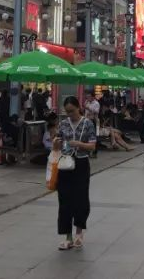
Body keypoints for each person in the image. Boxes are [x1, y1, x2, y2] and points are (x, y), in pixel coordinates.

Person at [54, 96, 96, 250]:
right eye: (67, 112)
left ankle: (79, 231)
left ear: (79, 108)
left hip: (81, 163)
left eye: (72, 111)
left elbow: (92, 146)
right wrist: (56, 143)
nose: (69, 115)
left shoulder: (88, 124)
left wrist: (79, 144)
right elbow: (57, 142)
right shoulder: (63, 124)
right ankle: (67, 236)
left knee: (80, 198)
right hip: (65, 164)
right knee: (64, 200)